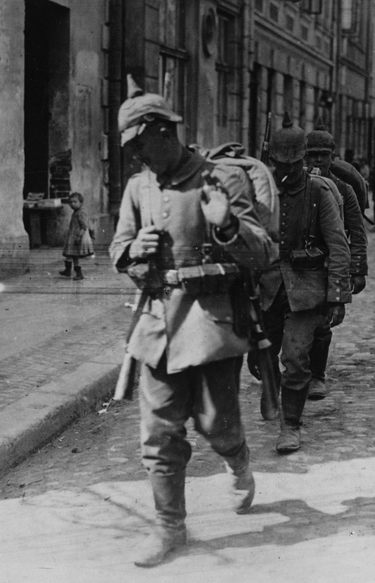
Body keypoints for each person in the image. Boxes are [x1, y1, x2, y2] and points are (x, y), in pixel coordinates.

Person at [109, 76, 272, 567]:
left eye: (141, 146)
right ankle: (169, 528)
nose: (138, 158)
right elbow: (119, 252)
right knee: (158, 433)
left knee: (215, 424)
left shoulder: (219, 179)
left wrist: (226, 224)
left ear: (163, 132)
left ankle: (237, 460)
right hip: (158, 322)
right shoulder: (139, 188)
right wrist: (133, 252)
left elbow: (263, 252)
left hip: (211, 324)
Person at [257, 113, 352, 454]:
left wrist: (338, 295)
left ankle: (291, 426)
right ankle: (269, 388)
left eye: (294, 164)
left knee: (296, 358)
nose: (287, 171)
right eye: (281, 164)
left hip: (306, 288)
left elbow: (339, 245)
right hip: (265, 288)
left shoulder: (319, 191)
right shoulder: (260, 192)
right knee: (261, 355)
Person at [304, 127, 368, 400]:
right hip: (299, 261)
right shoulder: (298, 185)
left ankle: (317, 375)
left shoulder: (345, 189)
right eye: (312, 156)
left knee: (321, 322)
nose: (317, 161)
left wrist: (358, 270)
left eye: (324, 156)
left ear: (333, 156)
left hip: (330, 263)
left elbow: (357, 232)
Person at [58, 191, 94, 280]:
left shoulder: (81, 213)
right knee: (70, 255)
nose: (72, 204)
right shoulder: (76, 212)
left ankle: (79, 273)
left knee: (74, 256)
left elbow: (84, 226)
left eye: (75, 202)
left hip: (76, 238)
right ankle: (68, 270)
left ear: (81, 203)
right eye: (71, 202)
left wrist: (79, 237)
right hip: (72, 237)